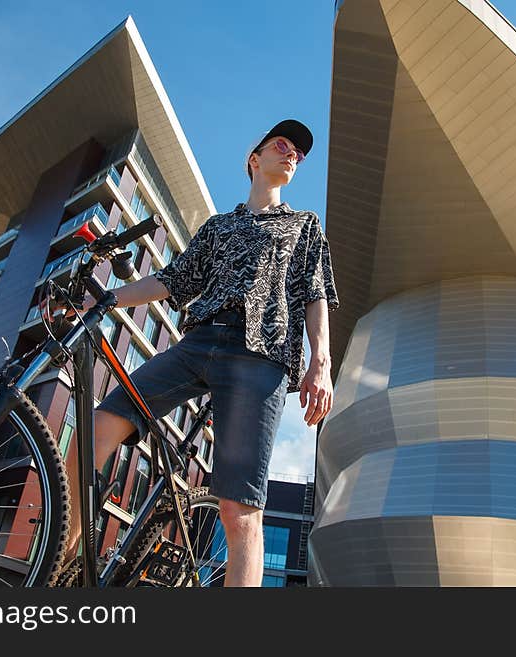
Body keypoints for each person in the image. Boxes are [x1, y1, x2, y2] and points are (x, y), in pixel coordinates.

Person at [81, 119, 339, 587]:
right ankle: (63, 567)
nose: (293, 155)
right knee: (97, 428)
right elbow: (171, 281)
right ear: (254, 158)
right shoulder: (218, 228)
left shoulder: (304, 226)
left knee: (238, 511)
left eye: (299, 155)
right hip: (198, 343)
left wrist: (320, 363)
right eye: (282, 145)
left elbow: (316, 292)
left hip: (260, 356)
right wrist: (109, 297)